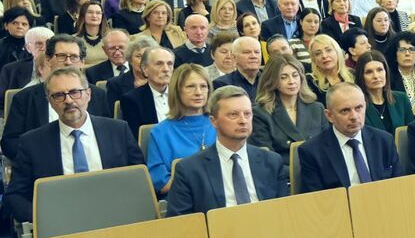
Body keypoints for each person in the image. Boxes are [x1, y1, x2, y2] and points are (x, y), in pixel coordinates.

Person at [3, 67, 143, 222]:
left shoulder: (118, 131)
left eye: (75, 92)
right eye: (59, 95)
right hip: (61, 225)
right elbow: (15, 195)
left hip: (117, 218)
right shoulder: (32, 143)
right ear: (50, 101)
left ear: (88, 94)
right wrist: (43, 220)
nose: (68, 100)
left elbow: (139, 179)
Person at [165, 86, 289, 215]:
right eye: (233, 115)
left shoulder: (272, 162)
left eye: (247, 114)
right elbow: (181, 224)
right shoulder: (189, 170)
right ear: (214, 121)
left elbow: (285, 213)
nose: (243, 121)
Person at [0, 35, 113, 161]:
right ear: (48, 59)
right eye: (61, 56)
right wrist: (42, 157)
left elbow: (107, 134)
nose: (68, 62)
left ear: (82, 62)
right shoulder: (25, 98)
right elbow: (9, 143)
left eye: (74, 57)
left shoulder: (98, 94)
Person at [297, 82, 401, 191]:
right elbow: (317, 202)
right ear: (329, 116)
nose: (354, 117)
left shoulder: (384, 141)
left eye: (358, 108)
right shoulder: (312, 152)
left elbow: (398, 186)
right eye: (345, 111)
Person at [145, 64, 216, 194]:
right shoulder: (161, 132)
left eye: (203, 86)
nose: (198, 92)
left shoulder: (220, 122)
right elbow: (161, 183)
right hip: (184, 198)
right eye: (190, 87)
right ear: (177, 91)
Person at [250, 54, 325, 161]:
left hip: (318, 171)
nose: (291, 81)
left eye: (295, 75)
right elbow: (266, 158)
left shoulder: (317, 108)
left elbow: (327, 147)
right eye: (283, 77)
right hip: (283, 174)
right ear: (272, 80)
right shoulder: (260, 113)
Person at [354, 50, 413, 134]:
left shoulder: (401, 99)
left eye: (380, 70)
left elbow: (411, 132)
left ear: (386, 72)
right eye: (369, 72)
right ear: (361, 76)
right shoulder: (357, 106)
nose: (376, 76)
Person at [121, 45, 175, 137]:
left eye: (169, 64)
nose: (166, 69)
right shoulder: (132, 100)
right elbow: (137, 138)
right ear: (145, 69)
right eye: (159, 64)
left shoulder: (183, 95)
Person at [0, 7, 32, 81]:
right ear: (6, 26)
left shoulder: (33, 45)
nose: (19, 27)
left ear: (29, 28)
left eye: (24, 24)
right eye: (15, 23)